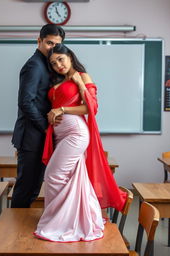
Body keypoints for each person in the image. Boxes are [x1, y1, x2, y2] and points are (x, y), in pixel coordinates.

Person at [34, 44, 127, 242]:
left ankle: (59, 221)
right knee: (74, 178)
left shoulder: (82, 76)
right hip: (60, 135)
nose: (58, 65)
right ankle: (71, 219)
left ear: (70, 56)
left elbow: (90, 108)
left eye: (61, 59)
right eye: (53, 62)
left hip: (76, 133)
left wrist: (64, 108)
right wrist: (53, 114)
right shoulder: (58, 80)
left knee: (52, 175)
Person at [11, 24, 65, 208]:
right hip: (31, 138)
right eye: (49, 43)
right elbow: (26, 102)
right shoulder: (34, 65)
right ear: (39, 41)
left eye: (57, 44)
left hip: (39, 137)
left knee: (34, 189)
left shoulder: (47, 64)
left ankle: (18, 232)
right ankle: (12, 234)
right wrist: (45, 126)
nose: (52, 48)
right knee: (25, 190)